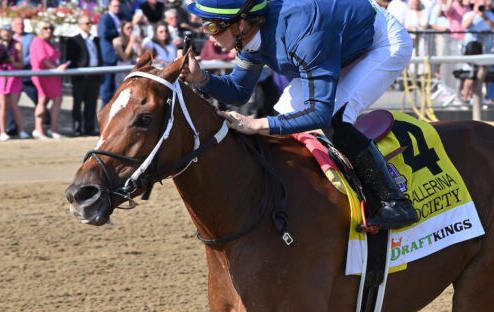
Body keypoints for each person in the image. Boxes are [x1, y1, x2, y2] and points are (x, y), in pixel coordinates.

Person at [180, 0, 419, 229]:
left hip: (380, 41)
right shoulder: (248, 36)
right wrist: (201, 78)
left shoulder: (302, 37)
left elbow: (319, 114)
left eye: (212, 26)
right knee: (281, 113)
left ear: (240, 24)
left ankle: (394, 203)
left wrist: (255, 124)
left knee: (337, 118)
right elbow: (239, 91)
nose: (208, 35)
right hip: (336, 40)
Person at [8, 16, 48, 136]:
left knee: (38, 98)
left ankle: (46, 121)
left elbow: (32, 54)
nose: (21, 26)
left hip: (27, 73)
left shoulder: (30, 38)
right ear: (13, 26)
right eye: (18, 24)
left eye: (22, 24)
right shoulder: (10, 38)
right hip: (14, 75)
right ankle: (12, 126)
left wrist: (19, 62)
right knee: (12, 102)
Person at [30, 21, 69, 139]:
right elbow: (42, 59)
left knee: (49, 100)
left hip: (52, 75)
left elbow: (55, 56)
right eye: (45, 28)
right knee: (44, 100)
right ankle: (39, 129)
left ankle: (51, 129)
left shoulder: (50, 43)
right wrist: (56, 69)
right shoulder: (37, 41)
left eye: (50, 28)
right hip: (43, 75)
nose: (49, 31)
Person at [66, 15, 102, 136]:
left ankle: (89, 128)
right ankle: (77, 128)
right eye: (87, 23)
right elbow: (71, 59)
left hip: (94, 75)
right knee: (78, 103)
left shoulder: (95, 40)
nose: (90, 25)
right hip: (81, 76)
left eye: (90, 23)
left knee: (91, 104)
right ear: (80, 25)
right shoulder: (73, 40)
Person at [0, 25, 27, 141]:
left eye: (8, 35)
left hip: (14, 76)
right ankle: (2, 132)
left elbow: (21, 64)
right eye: (4, 35)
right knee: (3, 105)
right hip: (2, 75)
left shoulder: (17, 45)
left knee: (14, 104)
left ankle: (21, 130)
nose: (5, 37)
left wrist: (12, 60)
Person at [98, 0, 122, 106]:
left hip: (116, 56)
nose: (117, 8)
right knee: (106, 90)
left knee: (113, 89)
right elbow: (103, 33)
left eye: (118, 6)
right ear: (109, 6)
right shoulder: (105, 18)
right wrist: (118, 32)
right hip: (107, 56)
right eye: (114, 6)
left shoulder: (118, 17)